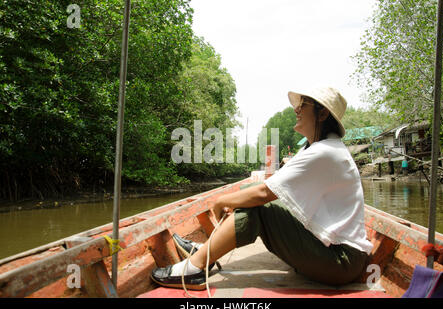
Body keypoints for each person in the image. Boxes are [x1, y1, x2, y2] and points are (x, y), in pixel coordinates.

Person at [151, 87, 374, 290]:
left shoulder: (324, 152)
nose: (296, 109)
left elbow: (264, 194)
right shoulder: (321, 148)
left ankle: (195, 269)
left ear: (322, 114)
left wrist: (222, 201)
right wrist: (239, 199)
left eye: (303, 104)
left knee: (260, 206)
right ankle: (206, 250)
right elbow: (266, 188)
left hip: (340, 260)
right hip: (332, 252)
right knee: (252, 192)